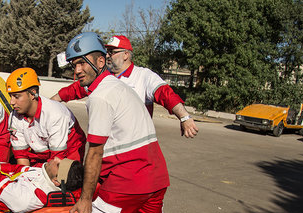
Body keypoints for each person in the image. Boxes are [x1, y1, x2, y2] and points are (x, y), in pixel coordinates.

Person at [53, 33, 185, 213]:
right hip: (155, 179)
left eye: (83, 63)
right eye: (74, 65)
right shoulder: (120, 87)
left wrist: (86, 200)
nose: (77, 71)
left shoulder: (101, 96)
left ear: (101, 61)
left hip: (128, 182)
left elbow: (95, 153)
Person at [6, 67, 86, 213]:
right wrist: (28, 182)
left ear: (33, 94)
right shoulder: (14, 116)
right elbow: (21, 158)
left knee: (62, 196)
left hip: (67, 151)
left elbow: (56, 164)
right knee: (30, 189)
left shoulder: (54, 113)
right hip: (39, 152)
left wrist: (44, 181)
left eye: (16, 96)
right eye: (10, 97)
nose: (11, 102)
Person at [51, 35, 198, 139]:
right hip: (106, 145)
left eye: (113, 52)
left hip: (133, 146)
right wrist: (48, 104)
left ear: (126, 55)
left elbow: (166, 95)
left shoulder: (143, 76)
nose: (108, 56)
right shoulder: (102, 78)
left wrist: (184, 117)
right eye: (107, 52)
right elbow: (72, 91)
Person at [0, 156, 83, 213]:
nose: (56, 158)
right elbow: (17, 169)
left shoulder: (32, 197)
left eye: (58, 165)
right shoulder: (44, 174)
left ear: (56, 181)